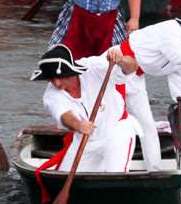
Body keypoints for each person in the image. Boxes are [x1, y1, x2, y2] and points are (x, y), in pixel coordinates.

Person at [119, 15, 181, 171]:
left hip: (134, 77)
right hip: (116, 63)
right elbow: (177, 51)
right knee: (103, 118)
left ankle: (155, 172)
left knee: (148, 127)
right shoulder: (171, 30)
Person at [33, 44, 142, 177]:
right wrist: (78, 125)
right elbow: (63, 114)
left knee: (115, 177)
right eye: (51, 79)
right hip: (85, 139)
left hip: (117, 131)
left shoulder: (94, 66)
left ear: (70, 72)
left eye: (59, 77)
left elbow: (133, 67)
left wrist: (121, 60)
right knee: (61, 179)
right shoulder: (51, 94)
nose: (56, 84)